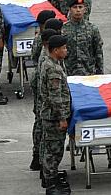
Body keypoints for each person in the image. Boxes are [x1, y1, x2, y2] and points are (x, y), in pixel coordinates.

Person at [37, 34, 74, 194]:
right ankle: (51, 185)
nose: (66, 50)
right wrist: (62, 118)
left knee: (49, 148)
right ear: (56, 50)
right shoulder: (53, 69)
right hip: (53, 117)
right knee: (54, 151)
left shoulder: (49, 63)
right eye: (64, 48)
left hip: (49, 114)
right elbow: (55, 97)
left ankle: (50, 179)